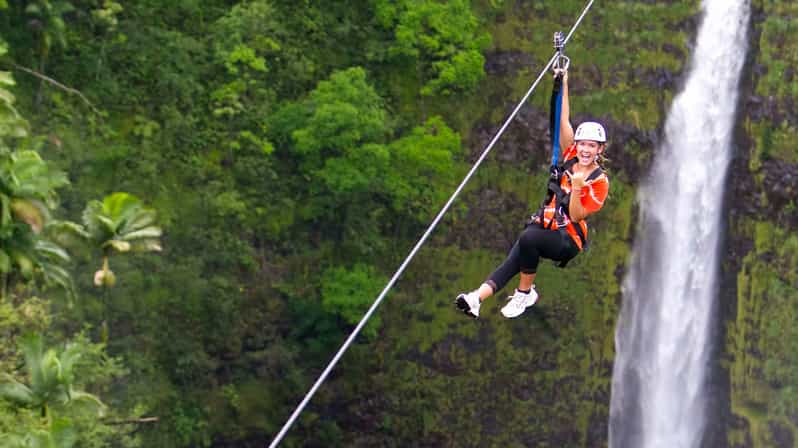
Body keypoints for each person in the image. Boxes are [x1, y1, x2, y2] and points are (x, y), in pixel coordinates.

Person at [455, 69, 610, 319]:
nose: (585, 149)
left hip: (567, 240)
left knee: (529, 239)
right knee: (516, 257)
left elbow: (576, 214)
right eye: (582, 144)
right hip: (546, 226)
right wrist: (564, 82)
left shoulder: (599, 181)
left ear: (599, 149)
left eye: (591, 146)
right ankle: (476, 298)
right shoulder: (570, 156)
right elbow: (562, 120)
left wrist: (579, 187)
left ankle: (525, 293)